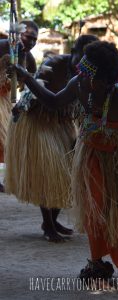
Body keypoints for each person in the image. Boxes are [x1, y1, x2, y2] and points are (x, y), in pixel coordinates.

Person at [8, 41, 118, 281]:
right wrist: (27, 78)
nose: (79, 72)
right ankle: (97, 261)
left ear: (100, 80)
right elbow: (54, 101)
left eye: (85, 71)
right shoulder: (79, 84)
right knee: (95, 211)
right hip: (92, 159)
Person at [5, 35, 99, 242]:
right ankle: (48, 224)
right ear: (73, 51)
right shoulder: (53, 64)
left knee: (68, 173)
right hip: (36, 120)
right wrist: (27, 81)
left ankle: (52, 220)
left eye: (88, 61)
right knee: (51, 170)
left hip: (62, 121)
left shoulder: (91, 72)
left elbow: (77, 104)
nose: (82, 65)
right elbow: (40, 96)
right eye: (80, 59)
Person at [0, 20, 38, 192]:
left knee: (5, 142)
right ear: (16, 34)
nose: (31, 42)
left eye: (34, 39)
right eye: (28, 37)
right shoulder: (1, 46)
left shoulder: (28, 58)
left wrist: (23, 104)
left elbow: (33, 84)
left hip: (6, 101)